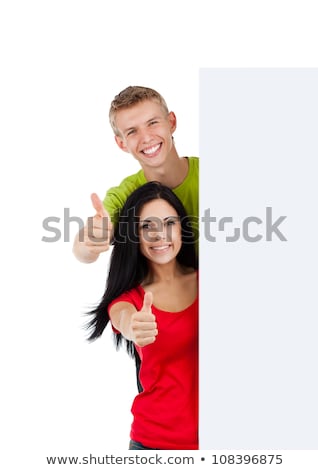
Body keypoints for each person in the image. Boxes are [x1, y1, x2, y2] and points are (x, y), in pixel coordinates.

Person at [86, 182, 198, 450]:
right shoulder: (130, 300)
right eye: (147, 226)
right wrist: (133, 327)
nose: (160, 234)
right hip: (154, 446)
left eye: (169, 222)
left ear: (182, 226)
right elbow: (122, 318)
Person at [72, 85, 199, 263]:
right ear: (121, 143)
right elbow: (82, 251)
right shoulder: (124, 196)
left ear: (171, 122)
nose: (146, 138)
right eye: (132, 131)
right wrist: (90, 241)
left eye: (153, 123)